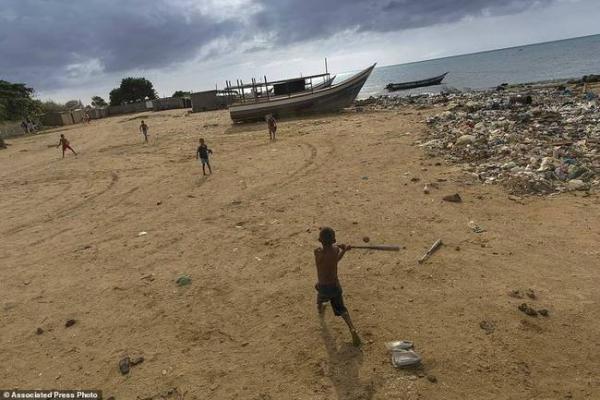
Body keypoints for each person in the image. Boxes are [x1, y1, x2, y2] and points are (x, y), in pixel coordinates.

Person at [314, 227, 361, 346]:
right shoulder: (335, 251)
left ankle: (320, 309)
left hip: (323, 286)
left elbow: (329, 253)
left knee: (319, 294)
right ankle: (352, 328)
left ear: (320, 240)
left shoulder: (317, 252)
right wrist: (344, 249)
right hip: (334, 286)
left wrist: (342, 248)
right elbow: (336, 259)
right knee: (342, 309)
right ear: (334, 240)